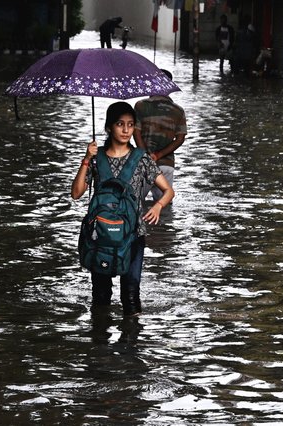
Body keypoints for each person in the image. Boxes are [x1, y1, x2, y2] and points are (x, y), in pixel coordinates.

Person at [71, 102, 174, 317]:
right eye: (120, 124)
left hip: (133, 234)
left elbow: (168, 191)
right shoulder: (96, 158)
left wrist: (157, 206)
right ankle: (99, 342)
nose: (126, 130)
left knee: (131, 292)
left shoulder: (142, 159)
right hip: (100, 235)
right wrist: (86, 159)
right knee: (100, 294)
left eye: (130, 125)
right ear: (109, 127)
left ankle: (132, 345)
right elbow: (76, 193)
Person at [134, 69, 187, 203]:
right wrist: (159, 155)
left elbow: (136, 132)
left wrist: (146, 155)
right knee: (164, 205)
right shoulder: (178, 111)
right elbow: (180, 139)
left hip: (143, 163)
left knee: (135, 203)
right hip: (166, 165)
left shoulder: (141, 106)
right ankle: (164, 225)